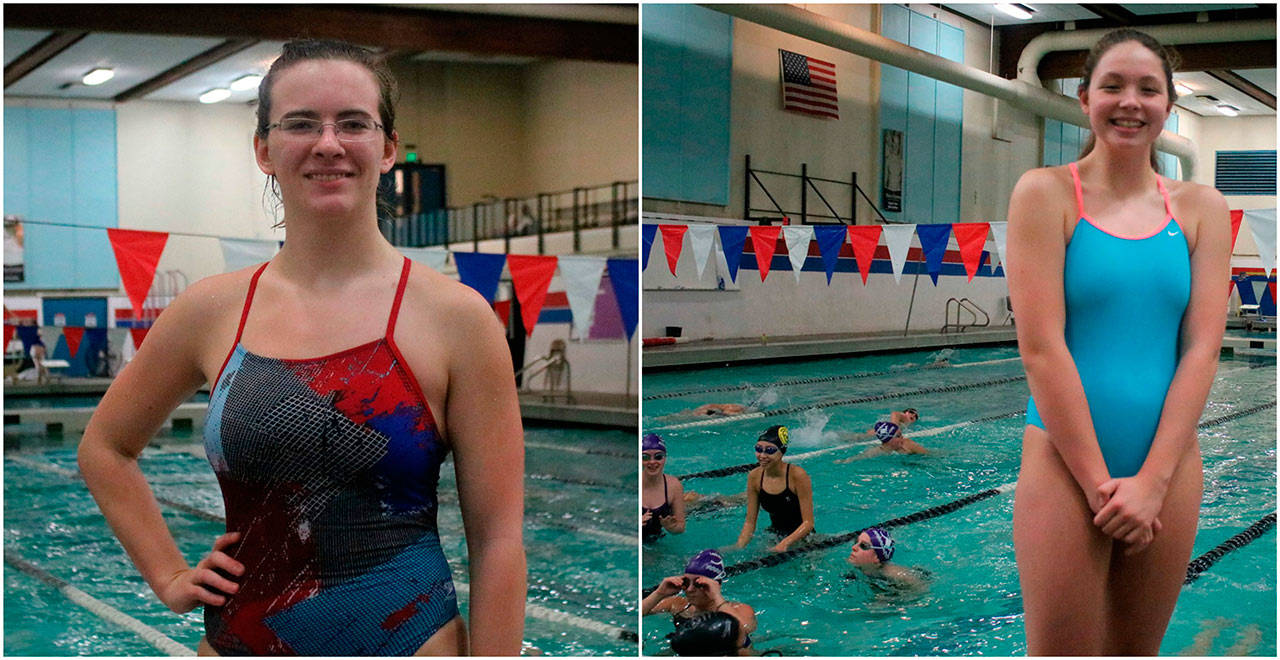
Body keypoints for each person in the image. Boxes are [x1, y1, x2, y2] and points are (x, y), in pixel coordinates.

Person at [77, 40, 526, 656]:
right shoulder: (212, 309)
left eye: (353, 123)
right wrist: (169, 575)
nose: (328, 144)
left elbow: (498, 539)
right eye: (301, 124)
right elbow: (105, 447)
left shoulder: (455, 319)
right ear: (264, 149)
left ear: (388, 147)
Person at [1005, 29, 1229, 655]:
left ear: (1169, 105)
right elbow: (1041, 348)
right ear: (1084, 99)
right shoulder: (1045, 194)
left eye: (1148, 89)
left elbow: (1202, 350)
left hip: (1169, 466)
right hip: (1062, 460)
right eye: (1113, 85)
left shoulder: (1202, 208)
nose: (1130, 102)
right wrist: (1103, 485)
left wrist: (1153, 482)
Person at [641, 549, 757, 656]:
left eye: (698, 584)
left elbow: (744, 629)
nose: (690, 589)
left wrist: (717, 595)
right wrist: (659, 593)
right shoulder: (677, 604)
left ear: (716, 584)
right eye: (686, 582)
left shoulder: (739, 609)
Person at [734, 425, 815, 552]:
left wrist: (784, 544)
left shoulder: (797, 475)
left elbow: (808, 523)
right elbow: (750, 523)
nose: (762, 455)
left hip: (803, 539)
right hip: (774, 536)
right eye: (758, 449)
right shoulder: (754, 477)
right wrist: (738, 547)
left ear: (781, 452)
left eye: (770, 450)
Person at [844, 527, 925, 591]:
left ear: (877, 557)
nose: (854, 547)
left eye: (863, 546)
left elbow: (922, 589)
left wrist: (891, 600)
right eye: (856, 542)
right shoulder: (853, 564)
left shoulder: (897, 576)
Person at [834, 408, 926, 462]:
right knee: (859, 437)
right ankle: (834, 437)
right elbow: (895, 413)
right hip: (884, 434)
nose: (913, 416)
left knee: (860, 438)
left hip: (885, 435)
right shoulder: (903, 418)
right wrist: (894, 429)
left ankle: (837, 437)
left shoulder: (907, 425)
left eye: (916, 417)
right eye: (911, 412)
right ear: (905, 412)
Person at [642, 433, 686, 542]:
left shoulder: (673, 485)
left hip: (656, 542)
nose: (652, 462)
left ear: (665, 458)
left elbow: (681, 527)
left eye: (658, 456)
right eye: (645, 457)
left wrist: (672, 528)